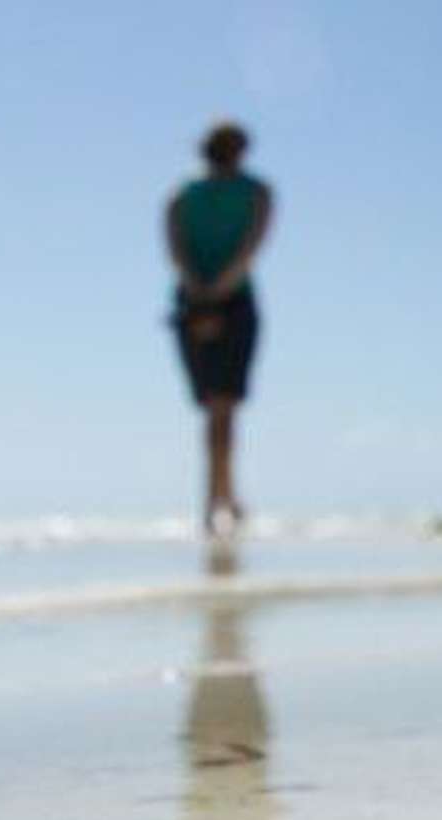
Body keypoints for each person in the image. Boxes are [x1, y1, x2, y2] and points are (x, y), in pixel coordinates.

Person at [165, 122, 274, 535]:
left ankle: (218, 500)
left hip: (197, 300)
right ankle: (222, 499)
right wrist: (218, 291)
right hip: (225, 300)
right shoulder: (254, 192)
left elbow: (176, 252)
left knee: (216, 408)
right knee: (222, 408)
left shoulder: (182, 195)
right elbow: (251, 248)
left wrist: (200, 291)